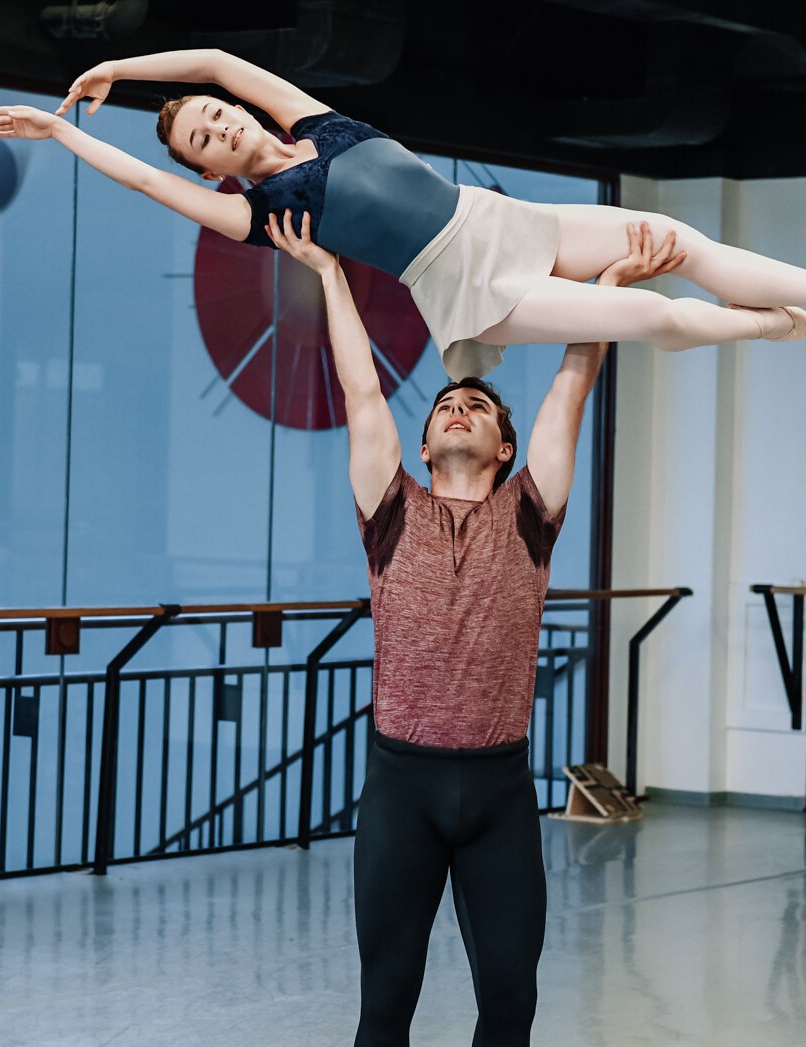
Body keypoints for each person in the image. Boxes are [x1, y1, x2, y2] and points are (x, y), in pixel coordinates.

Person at [263, 209, 681, 1045]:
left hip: (498, 793)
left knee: (509, 1004)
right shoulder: (389, 509)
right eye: (446, 405)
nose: (458, 409)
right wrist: (330, 275)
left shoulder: (531, 512)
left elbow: (571, 388)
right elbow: (360, 387)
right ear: (420, 448)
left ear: (503, 448)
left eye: (477, 408)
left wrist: (609, 292)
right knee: (384, 1004)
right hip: (400, 792)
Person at [0, 48, 806, 381]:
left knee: (675, 238)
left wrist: (120, 72)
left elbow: (222, 61)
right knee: (646, 313)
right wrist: (65, 136)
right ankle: (771, 328)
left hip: (500, 220)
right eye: (201, 139)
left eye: (216, 114)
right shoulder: (264, 212)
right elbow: (148, 185)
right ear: (208, 167)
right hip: (468, 282)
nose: (220, 120)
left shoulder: (314, 120)